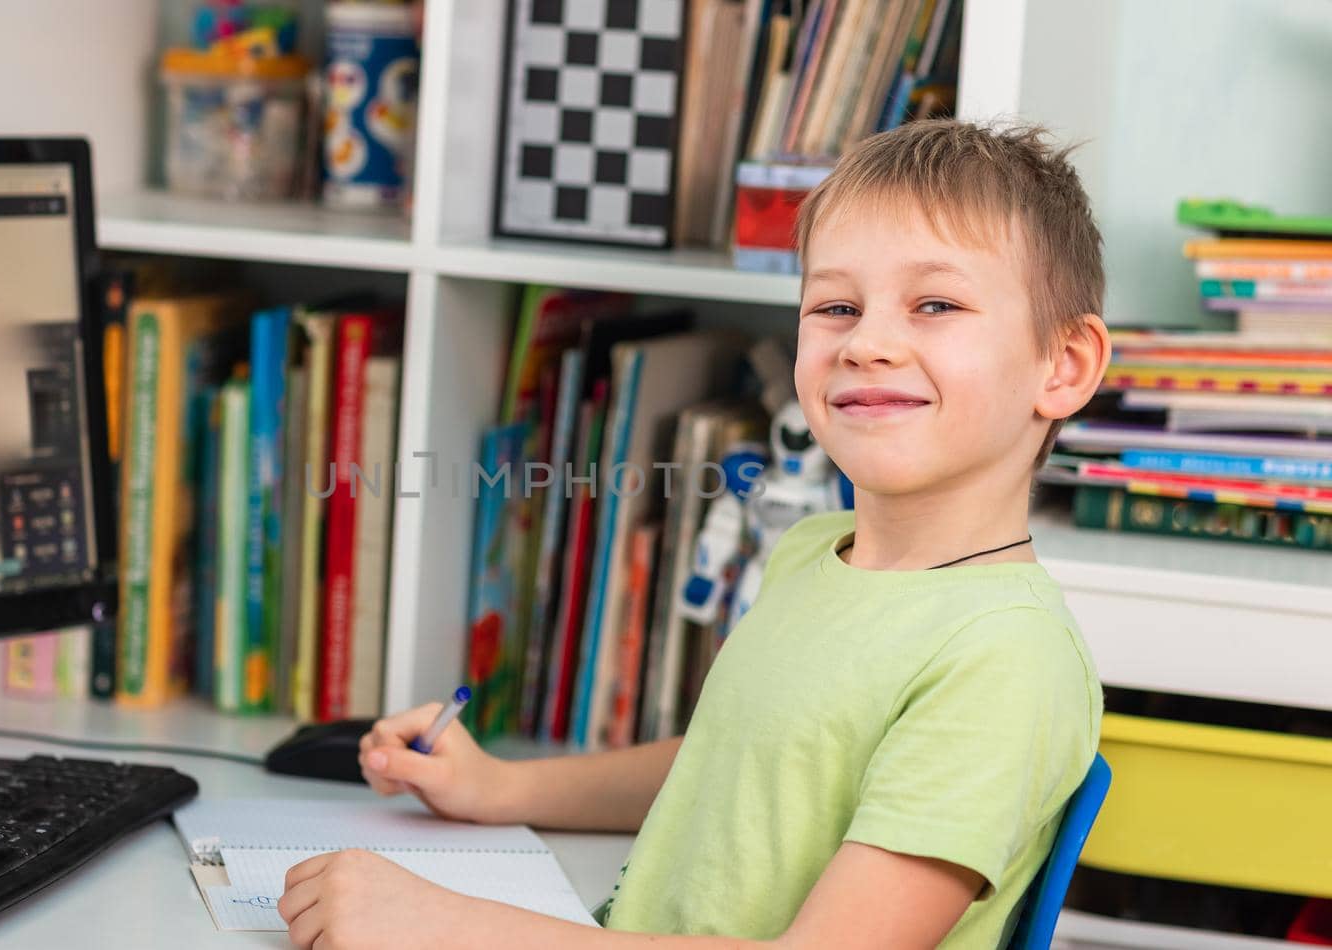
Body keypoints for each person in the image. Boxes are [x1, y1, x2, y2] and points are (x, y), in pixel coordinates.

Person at [278, 119, 1112, 949]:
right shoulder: (812, 552)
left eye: (935, 303)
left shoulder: (1004, 659)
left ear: (1063, 366)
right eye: (835, 305)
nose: (867, 342)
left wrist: (447, 928)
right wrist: (498, 787)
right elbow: (737, 766)